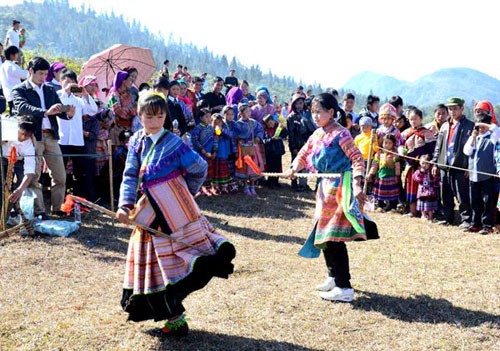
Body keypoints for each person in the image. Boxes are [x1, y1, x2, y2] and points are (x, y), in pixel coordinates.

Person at [116, 92, 235, 337]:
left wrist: (183, 194)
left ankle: (175, 317)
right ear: (140, 116)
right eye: (149, 116)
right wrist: (125, 206)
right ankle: (175, 317)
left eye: (160, 116)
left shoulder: (175, 142)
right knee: (155, 266)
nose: (154, 121)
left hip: (175, 215)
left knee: (181, 259)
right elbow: (129, 175)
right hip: (148, 215)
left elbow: (199, 168)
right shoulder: (137, 141)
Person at [287, 93, 367, 302]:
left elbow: (357, 159)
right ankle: (333, 277)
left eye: (318, 112)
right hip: (324, 190)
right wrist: (294, 167)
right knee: (323, 236)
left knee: (334, 237)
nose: (314, 116)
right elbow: (304, 154)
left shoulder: (342, 135)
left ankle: (344, 287)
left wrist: (358, 183)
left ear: (331, 112)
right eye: (312, 112)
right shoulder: (316, 135)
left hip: (340, 189)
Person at [11, 56, 72, 218]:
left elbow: (59, 111)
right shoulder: (19, 89)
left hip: (51, 135)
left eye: (46, 74)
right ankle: (39, 211)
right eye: (40, 74)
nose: (44, 78)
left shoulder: (50, 89)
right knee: (33, 175)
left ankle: (58, 208)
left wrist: (68, 113)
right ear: (30, 71)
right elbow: (22, 108)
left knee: (60, 175)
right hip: (33, 136)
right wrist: (45, 112)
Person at [432, 97, 473, 228]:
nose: (452, 111)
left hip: (460, 166)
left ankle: (466, 220)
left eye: (455, 108)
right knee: (446, 194)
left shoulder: (469, 126)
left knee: (462, 194)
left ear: (462, 108)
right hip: (445, 165)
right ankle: (447, 217)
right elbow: (438, 146)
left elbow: (473, 148)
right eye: (450, 109)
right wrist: (435, 163)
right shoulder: (444, 126)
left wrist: (469, 166)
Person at [57, 69, 98, 198]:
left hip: (77, 140)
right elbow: (55, 108)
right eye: (66, 81)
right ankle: (60, 200)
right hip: (61, 139)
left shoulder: (79, 100)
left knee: (79, 172)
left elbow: (93, 110)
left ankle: (78, 199)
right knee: (60, 171)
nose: (69, 84)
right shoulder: (57, 95)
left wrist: (85, 94)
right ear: (60, 81)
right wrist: (67, 96)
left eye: (72, 82)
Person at [462, 112, 496, 234]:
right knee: (475, 200)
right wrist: (473, 137)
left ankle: (487, 225)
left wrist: (486, 124)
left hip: (487, 175)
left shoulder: (492, 138)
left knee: (488, 201)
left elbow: (497, 130)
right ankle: (475, 223)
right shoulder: (475, 138)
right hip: (473, 175)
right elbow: (466, 151)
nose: (480, 129)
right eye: (478, 126)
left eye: (482, 126)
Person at [401, 108, 436, 217]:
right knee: (411, 187)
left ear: (421, 118)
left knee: (424, 189)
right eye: (411, 119)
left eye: (415, 119)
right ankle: (412, 210)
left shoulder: (427, 133)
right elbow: (400, 144)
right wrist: (401, 150)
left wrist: (430, 163)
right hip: (411, 166)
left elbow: (432, 149)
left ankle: (425, 212)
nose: (413, 121)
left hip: (424, 167)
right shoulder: (406, 133)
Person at [1, 116, 36, 208]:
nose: (24, 137)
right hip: (3, 159)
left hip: (19, 162)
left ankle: (16, 211)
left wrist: (20, 189)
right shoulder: (7, 128)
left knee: (21, 184)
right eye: (22, 133)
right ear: (17, 128)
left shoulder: (29, 147)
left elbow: (29, 172)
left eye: (28, 135)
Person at [233, 103, 264, 196]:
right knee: (245, 167)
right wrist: (236, 148)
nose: (248, 113)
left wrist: (258, 137)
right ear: (240, 113)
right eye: (246, 111)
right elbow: (234, 136)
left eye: (249, 111)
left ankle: (252, 185)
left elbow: (260, 130)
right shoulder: (237, 124)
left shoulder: (254, 123)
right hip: (242, 148)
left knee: (253, 165)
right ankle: (246, 185)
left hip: (253, 147)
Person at [286, 93, 315, 191]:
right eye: (296, 103)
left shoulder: (307, 115)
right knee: (294, 163)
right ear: (293, 105)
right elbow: (291, 134)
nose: (299, 105)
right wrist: (293, 147)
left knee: (305, 164)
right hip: (296, 144)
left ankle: (303, 184)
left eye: (301, 103)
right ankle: (293, 183)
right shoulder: (291, 117)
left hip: (306, 144)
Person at [367, 133, 401, 212]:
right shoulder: (379, 154)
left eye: (390, 143)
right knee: (380, 192)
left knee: (392, 192)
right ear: (382, 143)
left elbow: (397, 166)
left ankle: (393, 207)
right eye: (385, 143)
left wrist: (397, 176)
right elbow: (374, 165)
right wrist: (370, 174)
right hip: (381, 177)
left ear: (393, 144)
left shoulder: (394, 154)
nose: (387, 145)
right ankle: (380, 206)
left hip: (392, 177)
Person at [107, 71, 138, 145]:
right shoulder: (114, 94)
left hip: (129, 128)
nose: (131, 82)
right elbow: (119, 111)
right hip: (118, 129)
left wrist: (133, 110)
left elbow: (136, 108)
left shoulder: (130, 93)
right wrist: (131, 111)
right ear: (123, 81)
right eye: (130, 80)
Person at [191, 108, 217, 196]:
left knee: (210, 170)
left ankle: (209, 188)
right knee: (201, 170)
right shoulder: (198, 128)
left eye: (210, 117)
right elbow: (195, 140)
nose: (209, 119)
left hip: (209, 152)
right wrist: (202, 150)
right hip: (201, 153)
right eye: (206, 117)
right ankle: (200, 188)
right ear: (201, 118)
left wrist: (214, 151)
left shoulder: (211, 128)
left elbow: (214, 139)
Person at [0, 45, 28, 115]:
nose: (18, 56)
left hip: (8, 93)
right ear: (12, 55)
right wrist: (28, 69)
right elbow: (24, 76)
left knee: (12, 111)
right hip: (15, 93)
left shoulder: (3, 65)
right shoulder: (12, 66)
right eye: (16, 54)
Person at [262, 114, 287, 188]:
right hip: (270, 152)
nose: (271, 124)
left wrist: (283, 128)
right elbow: (264, 141)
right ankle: (270, 182)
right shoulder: (265, 131)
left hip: (278, 151)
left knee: (278, 167)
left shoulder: (278, 128)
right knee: (271, 168)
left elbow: (285, 134)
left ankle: (276, 181)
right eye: (269, 123)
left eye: (272, 122)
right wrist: (271, 139)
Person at [413, 154, 440, 222]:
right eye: (422, 163)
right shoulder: (418, 171)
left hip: (430, 191)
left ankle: (431, 217)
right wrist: (421, 173)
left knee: (430, 205)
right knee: (422, 204)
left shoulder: (431, 171)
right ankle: (424, 215)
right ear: (420, 163)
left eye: (426, 163)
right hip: (422, 191)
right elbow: (416, 178)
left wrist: (436, 184)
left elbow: (436, 179)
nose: (424, 165)